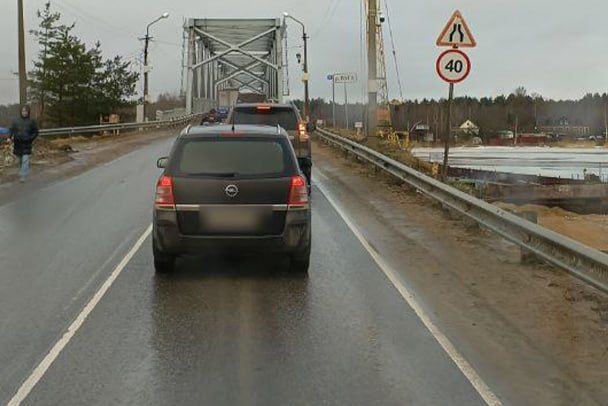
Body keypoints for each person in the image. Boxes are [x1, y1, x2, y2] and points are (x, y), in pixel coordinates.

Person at [10, 105, 39, 183]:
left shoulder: (32, 121)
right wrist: (10, 137)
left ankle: (23, 176)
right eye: (23, 111)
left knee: (25, 160)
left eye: (26, 111)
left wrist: (30, 138)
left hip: (27, 144)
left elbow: (36, 132)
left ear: (28, 112)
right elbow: (12, 130)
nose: (24, 113)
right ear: (21, 112)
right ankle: (23, 170)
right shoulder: (16, 121)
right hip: (17, 144)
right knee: (20, 160)